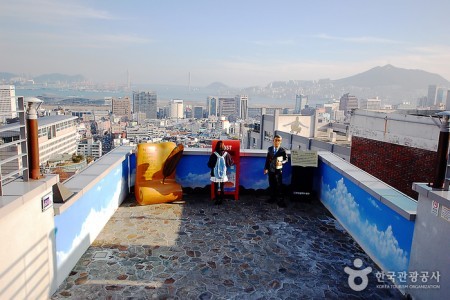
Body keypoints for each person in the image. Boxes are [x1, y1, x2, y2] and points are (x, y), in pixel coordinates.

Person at [264, 135, 288, 207]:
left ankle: (281, 200)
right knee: (271, 184)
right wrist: (266, 168)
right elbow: (267, 160)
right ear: (273, 141)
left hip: (278, 170)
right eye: (276, 140)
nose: (277, 142)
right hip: (271, 170)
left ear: (280, 141)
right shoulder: (270, 149)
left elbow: (286, 159)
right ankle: (272, 198)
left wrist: (282, 162)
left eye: (278, 140)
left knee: (279, 185)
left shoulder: (282, 150)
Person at [207, 140, 234, 205]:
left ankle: (216, 200)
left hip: (215, 173)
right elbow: (230, 162)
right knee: (222, 187)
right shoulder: (226, 154)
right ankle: (221, 200)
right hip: (223, 173)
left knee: (215, 187)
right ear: (223, 146)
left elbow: (210, 164)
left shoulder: (214, 154)